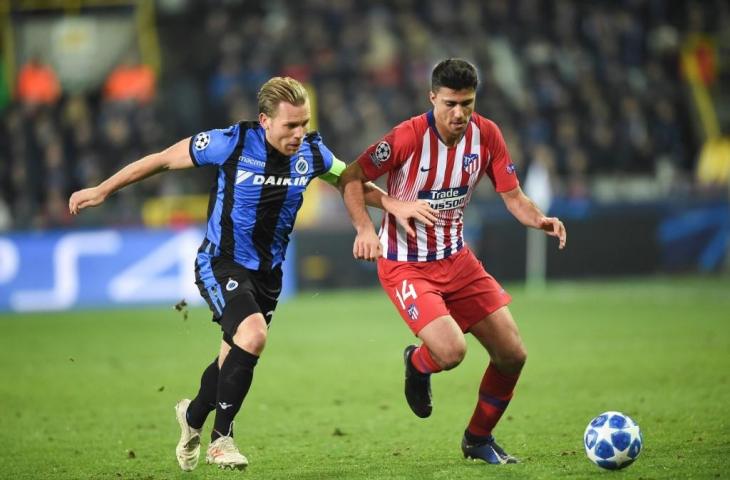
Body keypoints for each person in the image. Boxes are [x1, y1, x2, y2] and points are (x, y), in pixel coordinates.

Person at [68, 76, 426, 471]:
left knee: (230, 359)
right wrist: (103, 189)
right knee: (253, 336)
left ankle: (191, 417)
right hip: (221, 262)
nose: (299, 133)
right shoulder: (232, 142)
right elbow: (163, 159)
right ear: (265, 121)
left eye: (303, 123)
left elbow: (349, 179)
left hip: (268, 274)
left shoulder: (313, 152)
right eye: (290, 125)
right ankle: (222, 441)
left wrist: (391, 202)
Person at [340, 59, 567, 465]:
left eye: (467, 103)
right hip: (405, 263)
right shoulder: (407, 136)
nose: (459, 113)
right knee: (450, 351)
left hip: (458, 260)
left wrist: (539, 219)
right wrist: (364, 229)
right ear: (432, 98)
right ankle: (418, 361)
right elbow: (351, 176)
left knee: (513, 353)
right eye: (450, 104)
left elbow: (512, 195)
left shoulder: (487, 135)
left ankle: (478, 439)